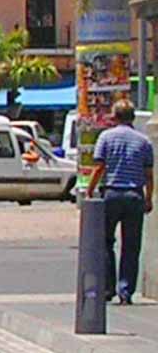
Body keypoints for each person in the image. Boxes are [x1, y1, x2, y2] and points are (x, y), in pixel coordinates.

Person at [87, 100, 154, 305]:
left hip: (112, 194)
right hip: (135, 195)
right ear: (133, 117)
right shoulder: (144, 141)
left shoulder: (106, 137)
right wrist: (149, 198)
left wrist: (90, 191)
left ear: (114, 117)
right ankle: (126, 291)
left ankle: (108, 288)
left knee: (106, 242)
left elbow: (99, 167)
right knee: (131, 246)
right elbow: (149, 174)